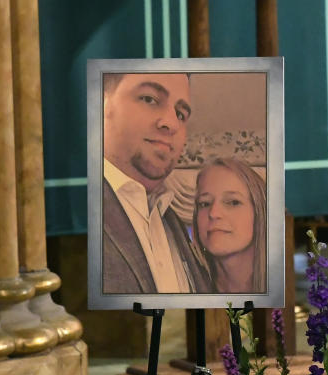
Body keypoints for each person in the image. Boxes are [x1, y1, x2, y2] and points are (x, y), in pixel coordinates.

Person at [102, 72, 213, 295]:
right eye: (150, 99)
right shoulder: (77, 210)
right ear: (102, 104)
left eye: (180, 114)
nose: (171, 123)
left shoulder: (171, 219)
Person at [192, 157, 267, 294]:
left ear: (259, 212)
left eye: (233, 202)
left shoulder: (281, 289)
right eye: (205, 203)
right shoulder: (186, 288)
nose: (213, 213)